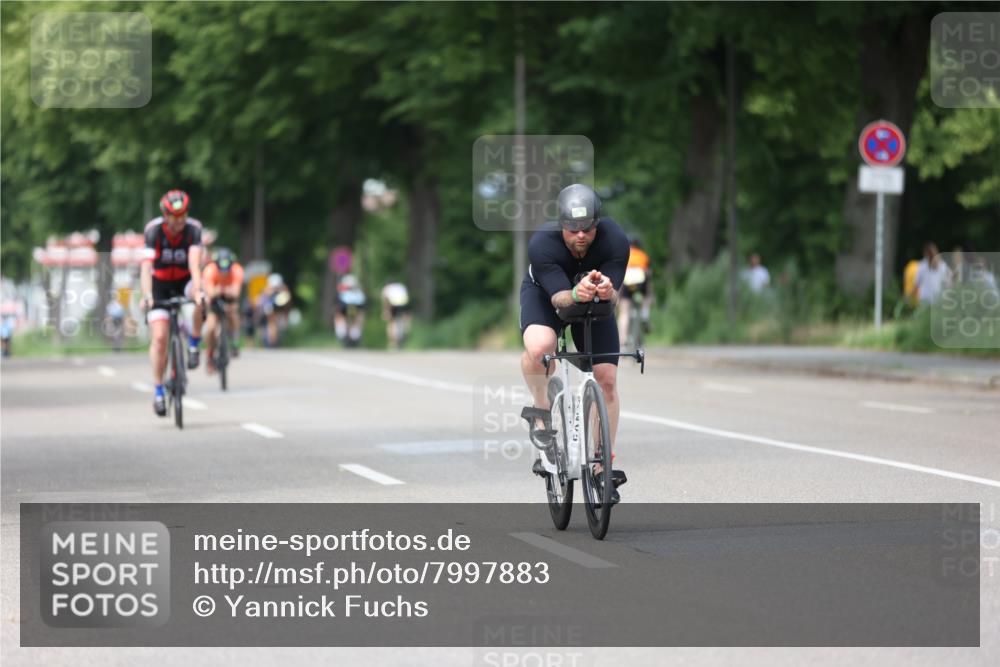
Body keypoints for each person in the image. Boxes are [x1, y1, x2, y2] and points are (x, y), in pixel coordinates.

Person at [519, 183, 630, 501]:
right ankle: (541, 409)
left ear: (597, 224)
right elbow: (560, 299)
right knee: (541, 349)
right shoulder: (543, 243)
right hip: (547, 295)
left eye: (587, 228)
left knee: (606, 378)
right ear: (561, 225)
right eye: (572, 229)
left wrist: (608, 292)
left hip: (593, 302)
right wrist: (577, 292)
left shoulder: (615, 241)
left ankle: (601, 465)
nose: (580, 235)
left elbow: (614, 297)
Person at [140, 189, 205, 417]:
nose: (179, 221)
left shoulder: (194, 229)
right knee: (159, 338)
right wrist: (147, 294)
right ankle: (158, 390)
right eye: (174, 216)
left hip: (185, 279)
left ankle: (194, 343)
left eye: (183, 215)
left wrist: (198, 290)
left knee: (200, 300)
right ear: (165, 214)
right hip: (160, 283)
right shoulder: (154, 231)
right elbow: (146, 267)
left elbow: (194, 263)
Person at [202, 248, 244, 372]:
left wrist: (220, 290)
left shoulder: (237, 270)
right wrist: (222, 290)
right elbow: (210, 292)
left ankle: (235, 341)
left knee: (233, 311)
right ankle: (210, 354)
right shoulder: (209, 270)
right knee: (211, 328)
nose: (224, 272)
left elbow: (236, 293)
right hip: (214, 299)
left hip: (229, 298)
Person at [617, 235, 652, 345]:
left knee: (624, 313)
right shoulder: (643, 256)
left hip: (627, 282)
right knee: (647, 296)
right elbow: (648, 274)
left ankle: (623, 341)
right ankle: (645, 314)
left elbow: (620, 276)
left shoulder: (624, 255)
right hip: (641, 282)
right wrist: (650, 292)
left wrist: (618, 296)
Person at [334, 274, 366, 347]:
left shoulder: (343, 293)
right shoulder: (359, 294)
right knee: (357, 318)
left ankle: (351, 332)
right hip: (352, 307)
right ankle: (353, 332)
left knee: (342, 316)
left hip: (348, 307)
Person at [380, 280, 411, 350]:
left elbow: (385, 300)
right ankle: (406, 331)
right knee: (406, 319)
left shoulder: (386, 288)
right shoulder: (401, 286)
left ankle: (392, 343)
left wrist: (385, 311)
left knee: (391, 322)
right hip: (404, 303)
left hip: (393, 304)